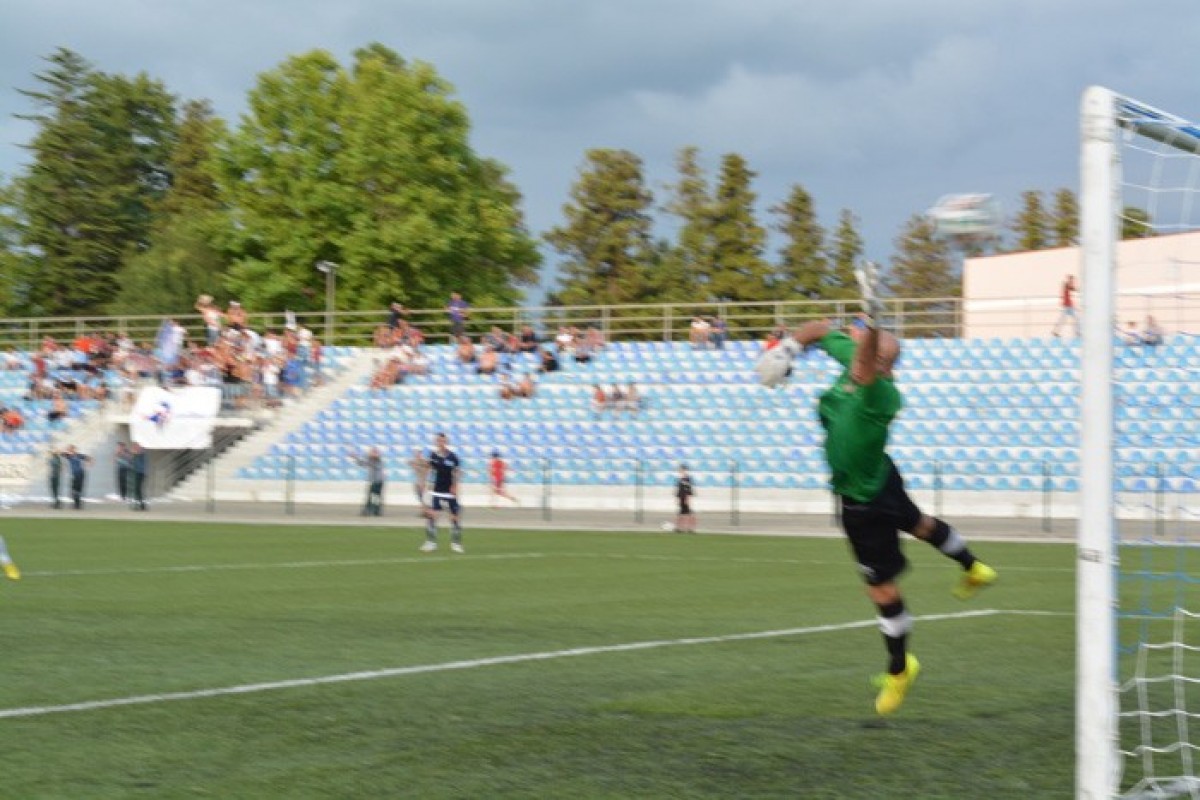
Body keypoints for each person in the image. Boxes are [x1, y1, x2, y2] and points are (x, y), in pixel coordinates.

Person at [789, 265, 997, 716]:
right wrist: (787, 347)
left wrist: (873, 316)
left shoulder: (882, 393)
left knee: (880, 588)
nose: (856, 346)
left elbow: (864, 366)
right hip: (883, 477)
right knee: (919, 523)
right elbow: (821, 329)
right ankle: (974, 567)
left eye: (866, 344)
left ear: (883, 363)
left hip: (862, 502)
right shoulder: (858, 359)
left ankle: (901, 669)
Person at [421, 432, 464, 554]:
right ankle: (431, 543)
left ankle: (456, 543)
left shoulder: (453, 457)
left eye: (443, 441)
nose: (440, 443)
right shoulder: (433, 455)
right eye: (438, 441)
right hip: (437, 491)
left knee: (454, 517)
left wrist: (455, 486)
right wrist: (425, 483)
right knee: (432, 516)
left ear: (446, 442)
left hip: (449, 491)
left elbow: (457, 473)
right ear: (436, 442)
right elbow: (428, 469)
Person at [349, 447, 385, 516]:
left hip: (378, 481)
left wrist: (359, 457)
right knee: (374, 496)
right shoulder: (372, 460)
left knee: (373, 496)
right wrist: (355, 458)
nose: (370, 454)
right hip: (375, 480)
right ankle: (374, 511)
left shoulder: (377, 460)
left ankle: (370, 510)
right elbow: (362, 463)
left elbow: (370, 461)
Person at [62, 445, 92, 510]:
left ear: (75, 449)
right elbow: (61, 453)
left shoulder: (79, 455)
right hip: (74, 474)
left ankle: (77, 505)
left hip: (81, 473)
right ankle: (76, 503)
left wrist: (89, 464)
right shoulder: (68, 456)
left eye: (72, 449)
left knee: (79, 489)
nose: (71, 450)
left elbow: (88, 458)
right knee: (73, 489)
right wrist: (67, 451)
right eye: (70, 449)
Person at [674, 463, 696, 533]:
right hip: (681, 498)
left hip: (685, 498)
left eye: (680, 469)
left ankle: (690, 528)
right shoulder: (680, 479)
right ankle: (679, 528)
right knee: (681, 514)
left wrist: (687, 499)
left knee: (689, 514)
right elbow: (679, 490)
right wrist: (677, 499)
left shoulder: (687, 479)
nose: (679, 470)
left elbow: (688, 490)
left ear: (684, 470)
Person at [408, 448, 429, 518]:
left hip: (422, 482)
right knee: (420, 498)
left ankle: (425, 512)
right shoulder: (415, 461)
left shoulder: (424, 461)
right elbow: (409, 462)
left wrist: (419, 466)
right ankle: (423, 511)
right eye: (415, 453)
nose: (416, 454)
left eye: (418, 453)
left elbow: (427, 468)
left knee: (424, 498)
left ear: (420, 454)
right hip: (417, 482)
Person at [129, 443, 148, 511]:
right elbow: (131, 459)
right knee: (137, 489)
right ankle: (140, 505)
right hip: (136, 472)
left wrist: (133, 451)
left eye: (136, 446)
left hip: (141, 473)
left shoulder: (142, 452)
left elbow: (137, 452)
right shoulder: (136, 454)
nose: (135, 448)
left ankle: (141, 505)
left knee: (138, 489)